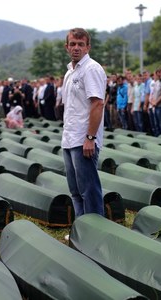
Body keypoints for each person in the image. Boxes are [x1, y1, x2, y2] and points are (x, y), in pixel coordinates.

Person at [61, 27, 106, 218]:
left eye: (81, 44)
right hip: (70, 137)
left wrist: (90, 137)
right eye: (73, 44)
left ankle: (95, 233)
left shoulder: (91, 69)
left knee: (89, 190)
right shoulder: (70, 73)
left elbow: (97, 104)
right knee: (75, 191)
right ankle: (81, 229)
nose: (76, 48)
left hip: (84, 139)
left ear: (88, 47)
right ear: (67, 47)